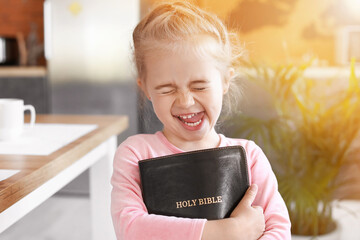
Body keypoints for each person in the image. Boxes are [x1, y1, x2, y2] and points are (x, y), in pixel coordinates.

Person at [111, 1, 291, 239]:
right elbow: (131, 229)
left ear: (225, 81)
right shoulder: (135, 154)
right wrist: (228, 231)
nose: (185, 101)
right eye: (166, 89)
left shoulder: (249, 156)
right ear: (146, 89)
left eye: (199, 86)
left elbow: (277, 230)